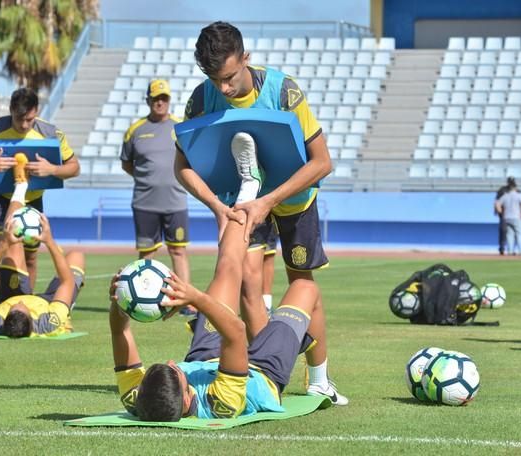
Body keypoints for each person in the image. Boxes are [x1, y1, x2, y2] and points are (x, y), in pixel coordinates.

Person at [176, 21, 347, 404]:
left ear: (246, 59)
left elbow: (322, 163)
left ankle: (319, 378)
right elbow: (182, 166)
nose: (223, 88)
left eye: (230, 77)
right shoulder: (202, 100)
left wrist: (267, 201)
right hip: (239, 199)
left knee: (302, 281)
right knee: (248, 283)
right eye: (213, 78)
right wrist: (217, 206)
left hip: (292, 198)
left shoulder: (283, 92)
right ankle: (257, 368)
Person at [110, 149, 322, 421]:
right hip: (261, 373)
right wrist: (193, 297)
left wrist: (119, 302)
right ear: (187, 399)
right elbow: (235, 331)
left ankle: (247, 188)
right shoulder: (223, 401)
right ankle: (319, 380)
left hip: (203, 359)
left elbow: (119, 332)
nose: (175, 363)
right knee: (305, 288)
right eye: (176, 372)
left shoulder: (136, 398)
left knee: (226, 266)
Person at [0, 88, 80, 289]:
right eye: (19, 119)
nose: (24, 125)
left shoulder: (51, 134)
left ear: (37, 111)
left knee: (30, 257)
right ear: (10, 110)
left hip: (32, 200)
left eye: (30, 119)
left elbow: (75, 168)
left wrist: (52, 169)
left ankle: (26, 309)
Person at [0, 167, 85, 338]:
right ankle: (67, 307)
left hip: (9, 296)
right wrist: (49, 242)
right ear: (32, 320)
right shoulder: (49, 322)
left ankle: (20, 186)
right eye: (22, 305)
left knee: (13, 239)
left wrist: (5, 243)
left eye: (14, 306)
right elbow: (67, 281)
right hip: (48, 303)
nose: (20, 301)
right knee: (76, 256)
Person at [120, 80, 191, 288]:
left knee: (178, 251)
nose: (160, 103)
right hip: (145, 203)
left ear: (169, 100)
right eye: (156, 98)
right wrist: (148, 179)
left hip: (175, 201)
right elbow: (126, 164)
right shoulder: (135, 130)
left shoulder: (180, 128)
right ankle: (144, 295)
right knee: (147, 253)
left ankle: (186, 302)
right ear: (148, 100)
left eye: (164, 98)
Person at [495, 177, 521, 255]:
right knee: (519, 233)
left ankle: (510, 251)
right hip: (516, 217)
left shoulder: (505, 195)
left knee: (510, 235)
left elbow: (497, 204)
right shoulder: (518, 195)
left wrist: (501, 212)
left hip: (507, 217)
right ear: (515, 187)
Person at [494, 178, 511, 255]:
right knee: (503, 231)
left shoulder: (516, 191)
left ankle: (512, 249)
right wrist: (497, 210)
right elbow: (497, 201)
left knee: (513, 233)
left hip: (513, 215)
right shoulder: (502, 190)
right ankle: (502, 248)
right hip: (504, 214)